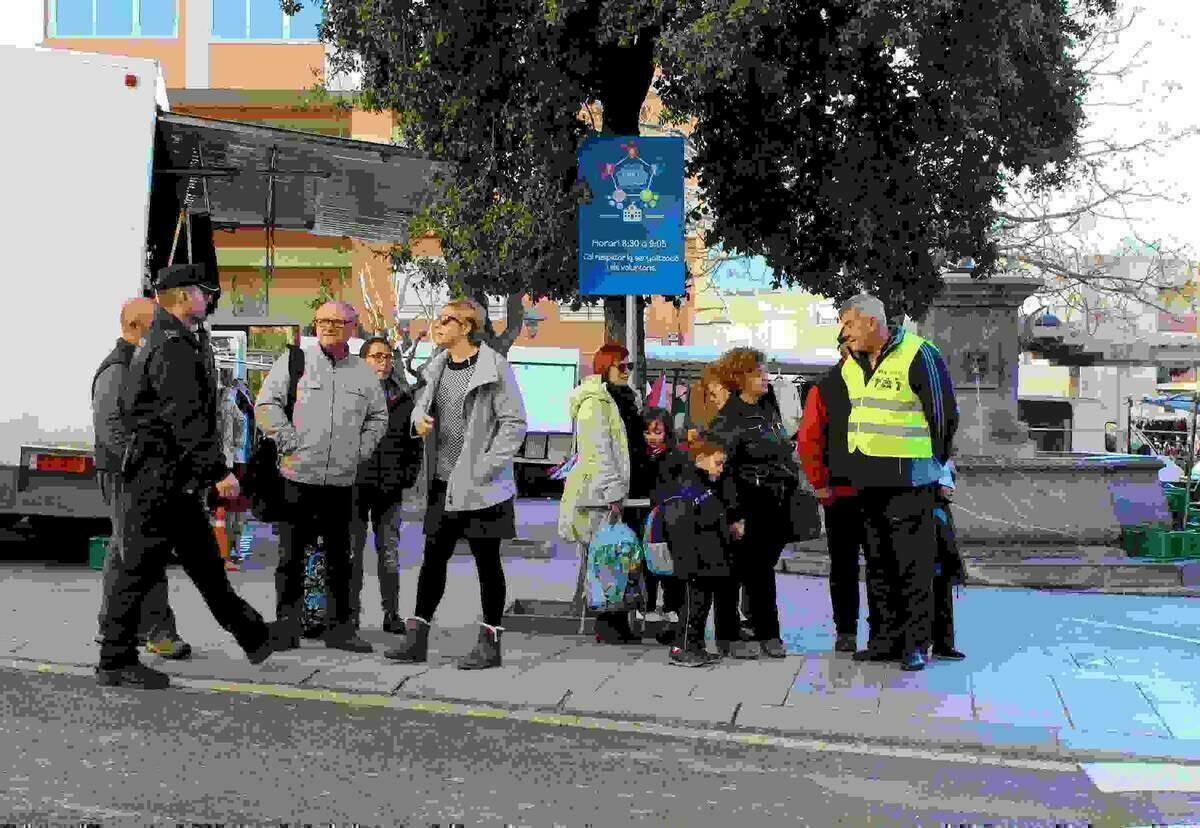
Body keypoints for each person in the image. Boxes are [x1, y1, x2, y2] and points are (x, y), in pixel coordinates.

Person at [97, 264, 292, 689]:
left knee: (206, 565)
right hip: (155, 480)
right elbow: (183, 416)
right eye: (203, 291)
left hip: (174, 480)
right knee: (135, 570)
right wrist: (218, 472)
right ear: (184, 297)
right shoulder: (170, 345)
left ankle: (254, 636)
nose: (208, 297)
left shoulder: (180, 338)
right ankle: (114, 660)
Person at [384, 299, 527, 669]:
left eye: (446, 320)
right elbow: (421, 406)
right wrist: (418, 419)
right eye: (438, 319)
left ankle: (490, 643)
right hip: (441, 483)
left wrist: (487, 465)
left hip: (483, 486)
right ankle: (416, 638)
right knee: (433, 560)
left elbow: (514, 424)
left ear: (467, 327)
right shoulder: (436, 366)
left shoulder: (494, 367)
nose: (438, 325)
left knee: (487, 563)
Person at [256, 301, 389, 654]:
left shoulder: (364, 373)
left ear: (352, 327)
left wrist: (359, 451)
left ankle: (340, 630)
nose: (329, 326)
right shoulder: (295, 361)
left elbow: (379, 418)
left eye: (337, 321)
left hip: (342, 484)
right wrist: (288, 440)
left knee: (340, 561)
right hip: (297, 477)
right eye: (322, 321)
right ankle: (286, 628)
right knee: (291, 559)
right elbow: (266, 405)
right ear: (315, 325)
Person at [836, 294, 958, 672]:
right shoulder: (850, 364)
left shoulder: (920, 354)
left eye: (849, 324)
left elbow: (944, 415)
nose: (844, 332)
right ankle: (884, 640)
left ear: (872, 322)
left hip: (909, 478)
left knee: (912, 564)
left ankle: (915, 644)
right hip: (867, 476)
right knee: (876, 562)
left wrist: (934, 465)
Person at [92, 297, 194, 660]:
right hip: (126, 474)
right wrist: (146, 468)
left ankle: (114, 626)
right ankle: (156, 631)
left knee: (126, 551)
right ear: (136, 328)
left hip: (139, 471)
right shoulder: (118, 368)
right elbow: (112, 431)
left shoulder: (140, 363)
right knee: (139, 552)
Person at [707, 347, 800, 659]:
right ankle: (729, 635)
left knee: (762, 571)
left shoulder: (767, 410)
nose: (765, 377)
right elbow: (723, 472)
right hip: (745, 503)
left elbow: (782, 452)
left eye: (764, 371)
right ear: (739, 378)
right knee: (733, 572)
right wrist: (734, 513)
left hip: (773, 503)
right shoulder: (728, 418)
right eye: (757, 372)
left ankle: (767, 632)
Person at [797, 334, 879, 654]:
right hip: (851, 491)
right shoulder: (828, 386)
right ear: (843, 349)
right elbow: (810, 440)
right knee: (861, 564)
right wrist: (820, 485)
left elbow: (809, 439)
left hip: (858, 491)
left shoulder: (826, 385)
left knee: (851, 565)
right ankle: (858, 630)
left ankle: (855, 631)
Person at [558, 343, 641, 644]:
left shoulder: (623, 400)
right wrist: (613, 491)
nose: (627, 372)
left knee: (617, 556)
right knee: (607, 557)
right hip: (601, 493)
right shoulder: (595, 403)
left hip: (616, 489)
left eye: (629, 367)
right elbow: (598, 453)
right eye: (622, 366)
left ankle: (617, 621)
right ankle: (607, 624)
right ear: (606, 366)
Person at [349, 336, 423, 635]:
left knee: (389, 552)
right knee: (351, 552)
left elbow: (414, 445)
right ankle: (349, 615)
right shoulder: (351, 396)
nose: (383, 362)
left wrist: (407, 476)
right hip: (353, 486)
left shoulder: (403, 399)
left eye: (387, 357)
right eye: (376, 356)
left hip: (390, 489)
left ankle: (391, 613)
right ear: (363, 360)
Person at [661, 437, 745, 666]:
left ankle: (696, 646)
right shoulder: (688, 487)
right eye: (717, 463)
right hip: (693, 560)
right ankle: (682, 647)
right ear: (701, 459)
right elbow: (683, 527)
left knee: (701, 607)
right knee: (692, 608)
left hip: (707, 559)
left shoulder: (706, 485)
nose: (721, 468)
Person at [638, 407, 687, 625]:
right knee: (646, 565)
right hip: (643, 518)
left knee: (668, 563)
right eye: (647, 432)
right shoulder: (637, 456)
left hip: (667, 520)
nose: (652, 438)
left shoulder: (676, 457)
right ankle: (646, 606)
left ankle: (671, 606)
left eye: (657, 433)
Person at [931, 460, 967, 661]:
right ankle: (937, 642)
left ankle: (943, 642)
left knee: (941, 579)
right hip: (927, 506)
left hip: (937, 512)